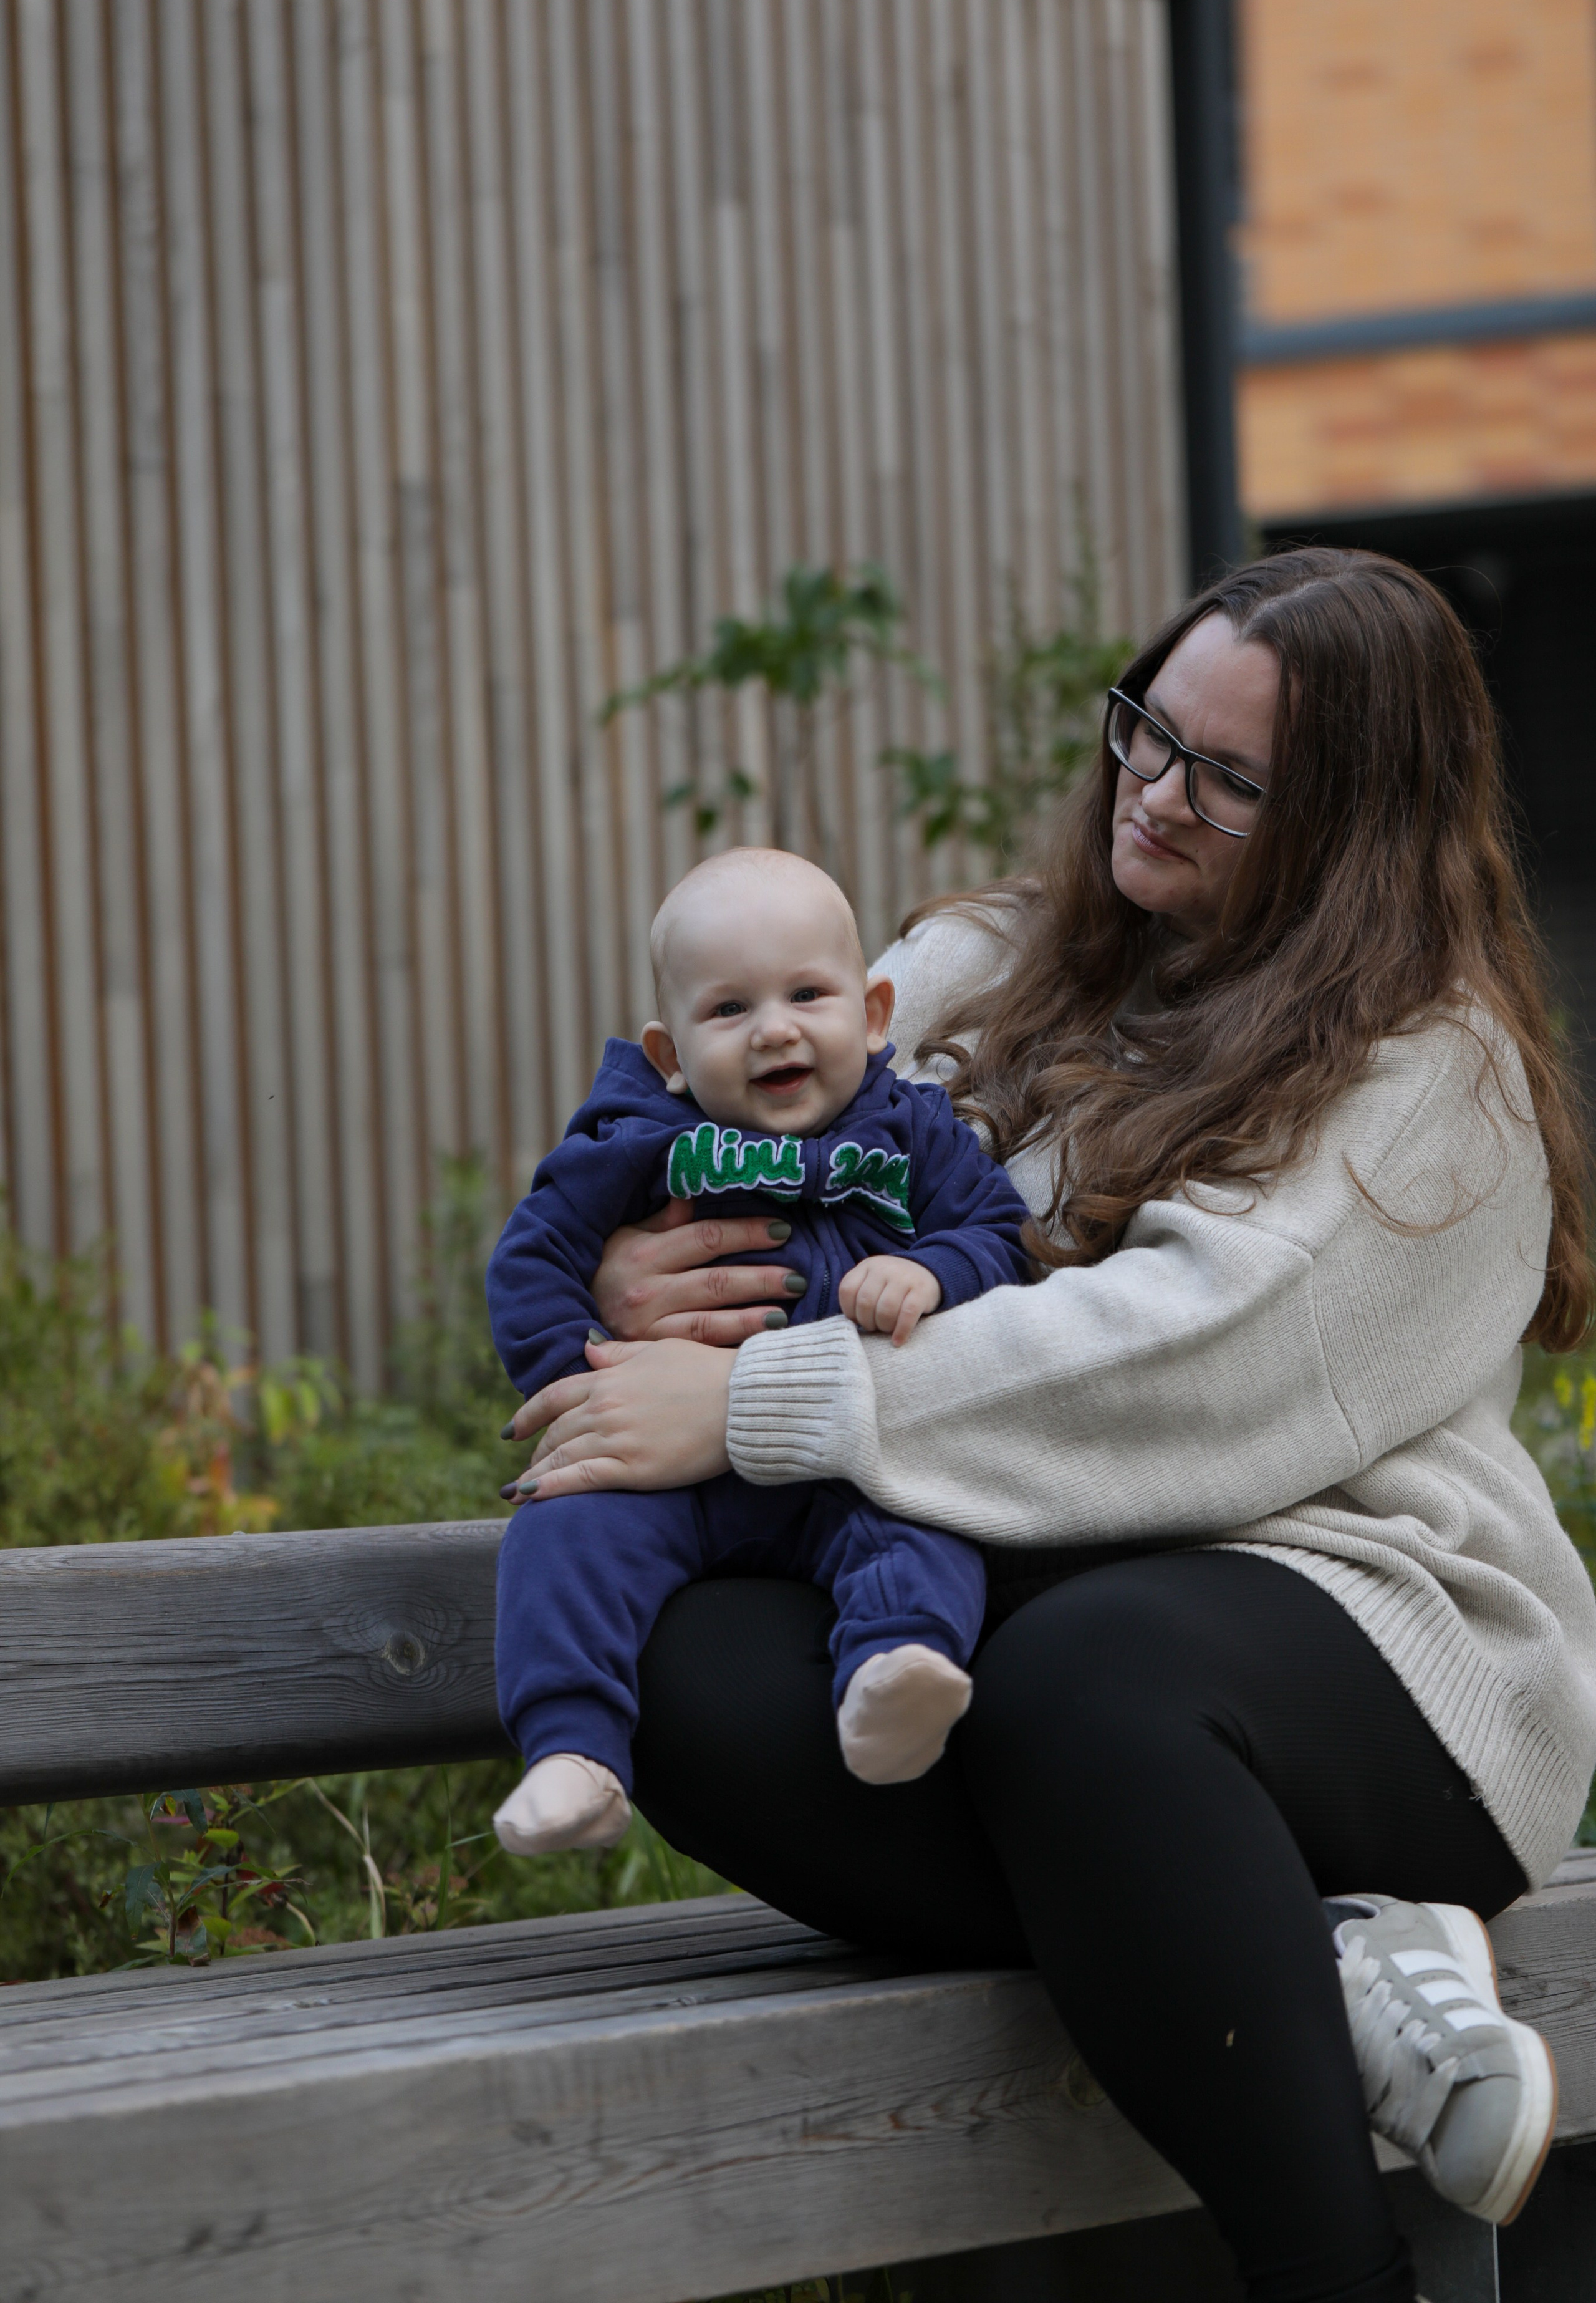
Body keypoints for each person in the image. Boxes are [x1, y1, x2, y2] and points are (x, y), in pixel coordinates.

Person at [502, 550, 1596, 2298]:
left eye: (1230, 779)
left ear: (1353, 824)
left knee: (1096, 1677)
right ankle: (1309, 1958)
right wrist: (642, 1268)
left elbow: (1178, 1366)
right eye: (1148, 733)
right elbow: (715, 1104)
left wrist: (763, 1392)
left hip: (1372, 1652)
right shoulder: (988, 968)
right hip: (1028, 1625)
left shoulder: (1430, 1076)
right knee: (684, 1671)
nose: (1154, 794)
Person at [486, 849, 1033, 1856]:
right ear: (671, 1050)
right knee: (560, 1537)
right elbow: (533, 1259)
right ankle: (573, 1752)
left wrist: (936, 1273)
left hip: (846, 1457)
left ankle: (893, 1674)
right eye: (728, 1010)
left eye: (806, 994)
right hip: (674, 1477)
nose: (774, 1028)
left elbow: (1001, 1235)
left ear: (874, 1016)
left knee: (927, 1526)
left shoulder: (916, 1133)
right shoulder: (634, 1141)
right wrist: (582, 1388)